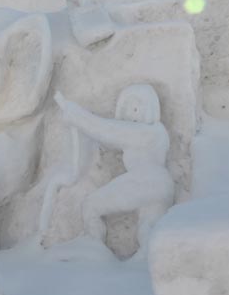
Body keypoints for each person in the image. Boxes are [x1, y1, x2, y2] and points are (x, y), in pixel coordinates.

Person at [54, 85, 174, 255]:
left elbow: (105, 130)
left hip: (145, 180)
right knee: (147, 230)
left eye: (136, 108)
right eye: (128, 110)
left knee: (91, 206)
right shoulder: (159, 133)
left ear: (150, 107)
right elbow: (110, 137)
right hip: (164, 186)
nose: (132, 115)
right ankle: (152, 265)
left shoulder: (146, 132)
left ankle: (94, 252)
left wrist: (75, 115)